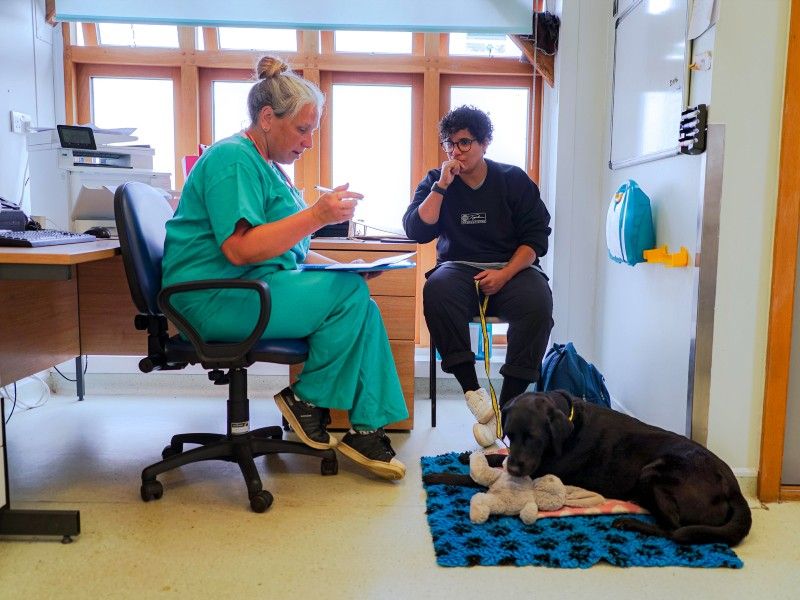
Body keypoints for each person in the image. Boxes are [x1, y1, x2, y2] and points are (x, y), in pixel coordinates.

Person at [162, 55, 408, 480]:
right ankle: (306, 400)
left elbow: (289, 249)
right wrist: (316, 215)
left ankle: (366, 429)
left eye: (313, 130)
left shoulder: (269, 169)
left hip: (251, 289)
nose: (309, 141)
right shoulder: (232, 159)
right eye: (302, 129)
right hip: (214, 297)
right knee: (351, 298)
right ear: (267, 118)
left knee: (361, 302)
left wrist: (346, 269)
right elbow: (240, 250)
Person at [402, 105, 553, 448]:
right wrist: (440, 187)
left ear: (485, 143)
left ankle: (507, 408)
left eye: (465, 142)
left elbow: (536, 240)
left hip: (512, 267)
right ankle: (473, 391)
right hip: (458, 267)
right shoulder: (436, 181)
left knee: (538, 304)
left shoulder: (512, 180)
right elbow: (416, 229)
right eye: (450, 144)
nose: (456, 151)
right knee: (436, 290)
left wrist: (505, 274)